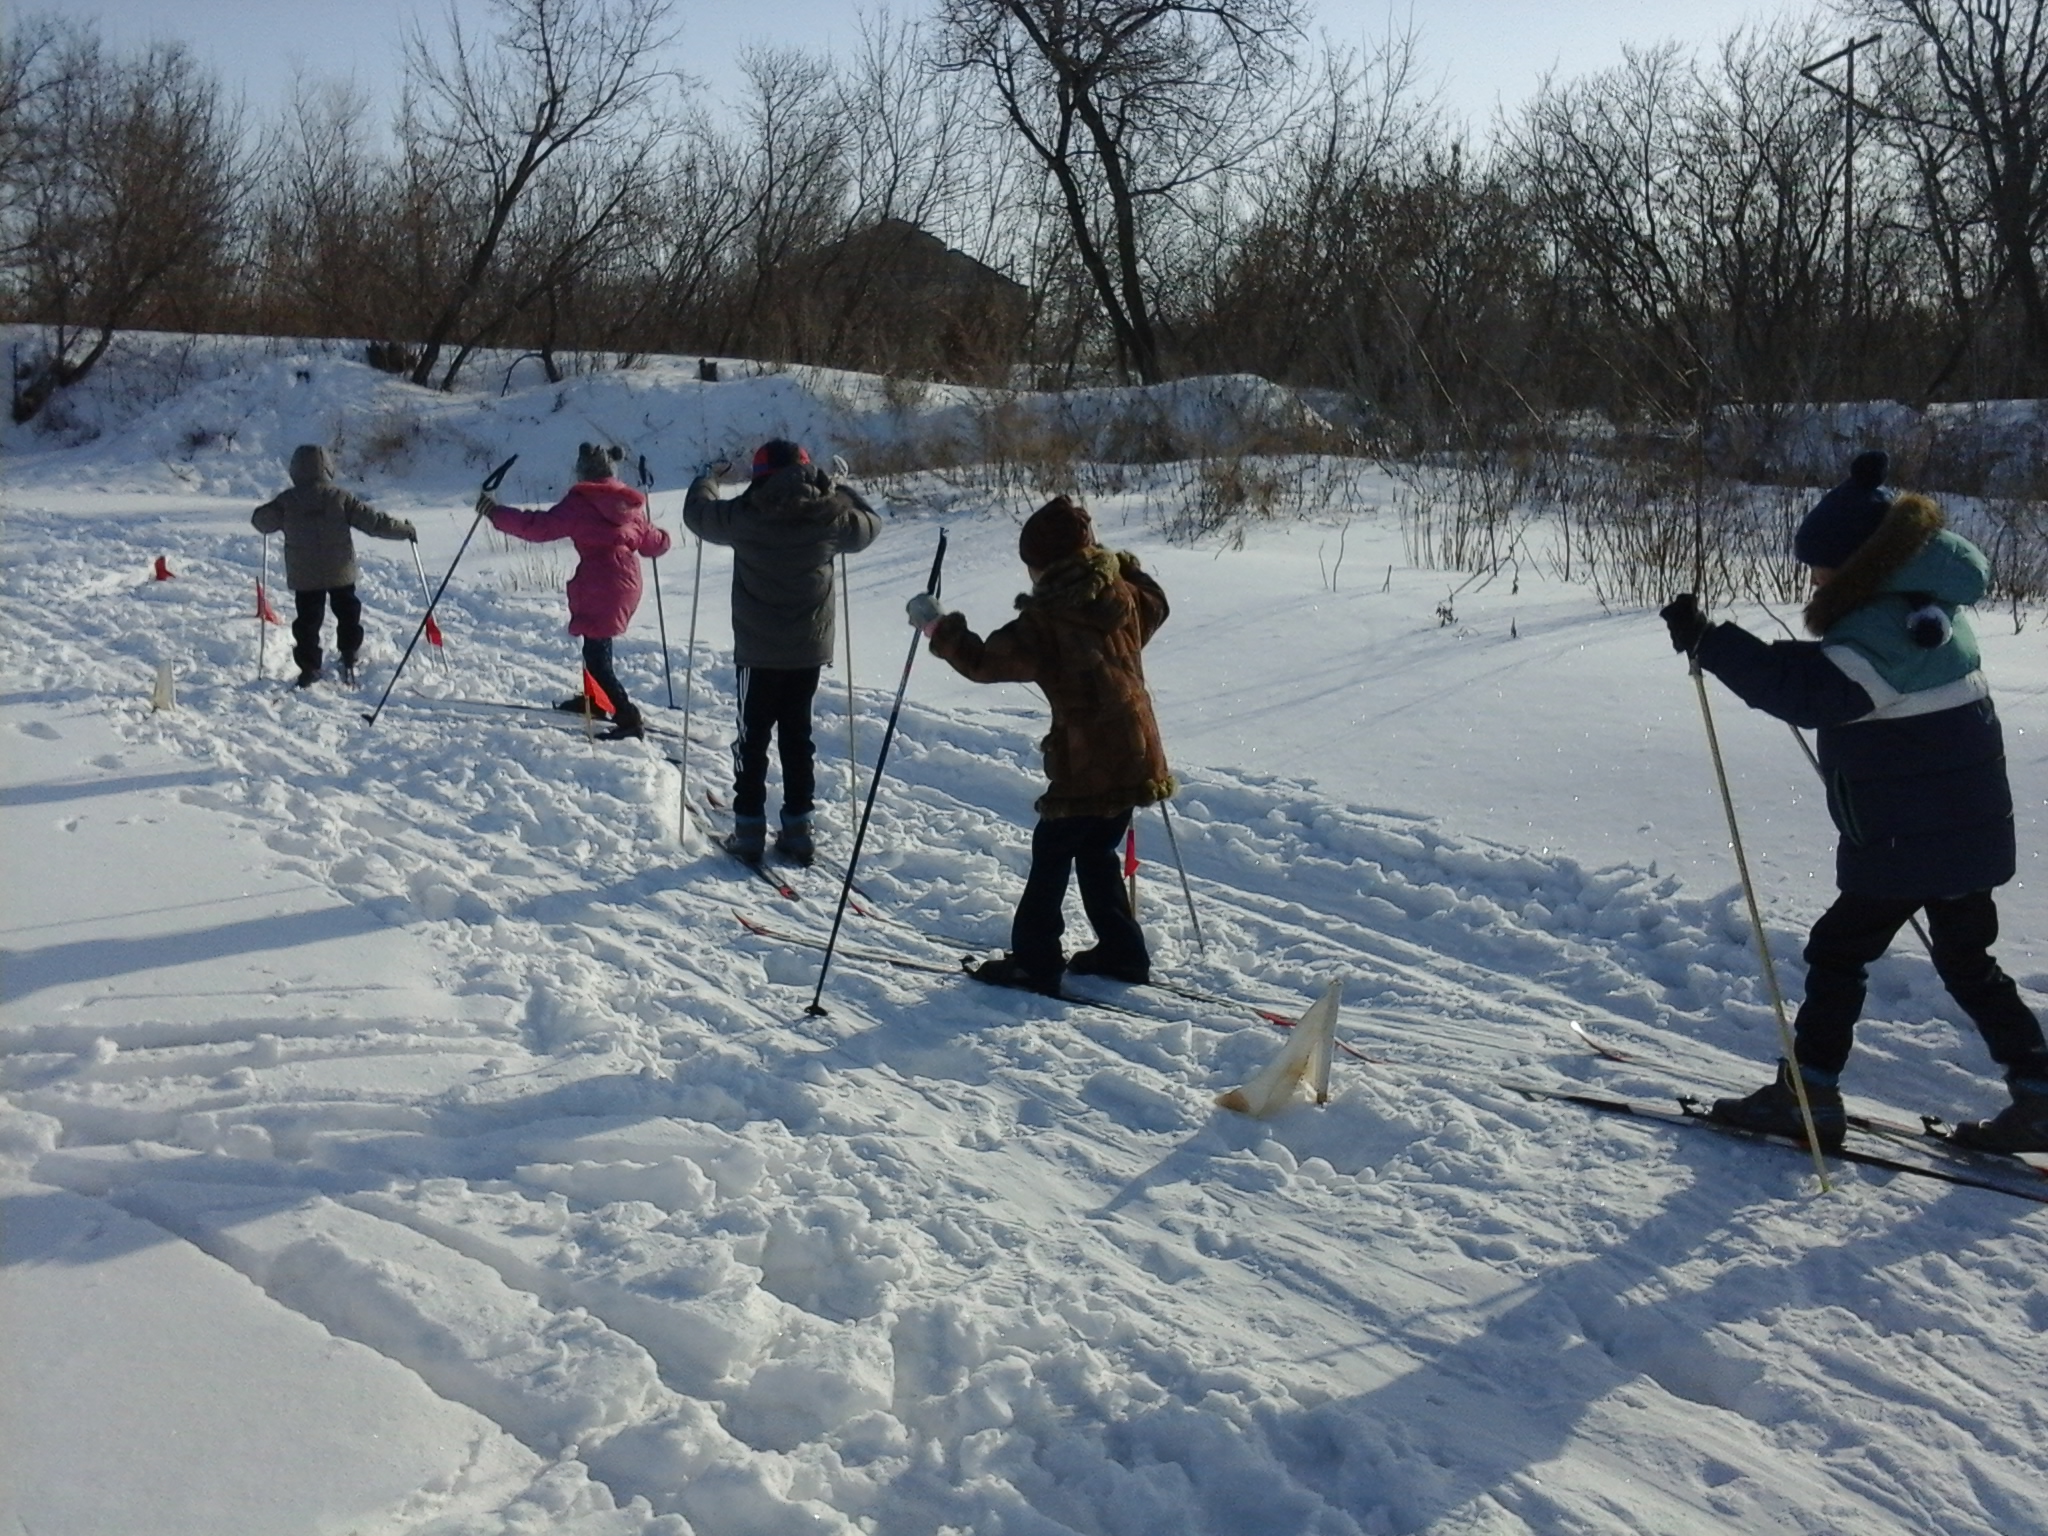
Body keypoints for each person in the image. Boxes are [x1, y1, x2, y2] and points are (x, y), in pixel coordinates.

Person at [1661, 449, 2048, 1154]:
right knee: (1968, 960)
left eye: (1822, 567)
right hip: (1967, 835)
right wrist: (1726, 644)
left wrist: (1711, 645)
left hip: (1906, 841)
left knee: (1837, 951)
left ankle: (1807, 1096)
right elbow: (1837, 674)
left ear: (1861, 566)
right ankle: (2041, 1091)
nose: (1814, 578)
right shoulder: (1923, 614)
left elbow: (1811, 695)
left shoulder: (1878, 634)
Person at [909, 495, 1174, 996]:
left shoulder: (1049, 618)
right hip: (1138, 748)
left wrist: (938, 627)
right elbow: (1156, 602)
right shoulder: (1123, 595)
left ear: (1044, 565)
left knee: (1052, 850)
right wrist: (1118, 563)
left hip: (1087, 756)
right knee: (1096, 850)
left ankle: (1035, 960)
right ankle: (1122, 952)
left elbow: (985, 662)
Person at [684, 439, 881, 866]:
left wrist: (705, 480)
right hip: (808, 650)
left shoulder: (745, 514)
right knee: (797, 738)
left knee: (752, 740)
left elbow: (697, 515)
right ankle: (798, 830)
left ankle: (750, 829)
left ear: (760, 476)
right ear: (809, 472)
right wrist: (841, 492)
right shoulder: (831, 516)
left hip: (757, 652)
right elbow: (871, 524)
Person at [481, 442, 671, 741]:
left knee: (597, 656)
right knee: (596, 645)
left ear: (583, 473)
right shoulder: (630, 506)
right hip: (626, 581)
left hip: (600, 582)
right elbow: (654, 544)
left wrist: (495, 514)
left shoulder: (582, 502)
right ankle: (596, 700)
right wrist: (663, 537)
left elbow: (538, 527)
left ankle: (627, 716)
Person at [250, 444, 418, 687]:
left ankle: (309, 668)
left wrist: (263, 516)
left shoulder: (287, 501)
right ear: (327, 468)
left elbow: (261, 521)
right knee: (348, 613)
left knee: (307, 621)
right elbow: (374, 523)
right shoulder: (340, 497)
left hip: (305, 575)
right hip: (340, 570)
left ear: (294, 470)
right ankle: (349, 653)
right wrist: (405, 530)